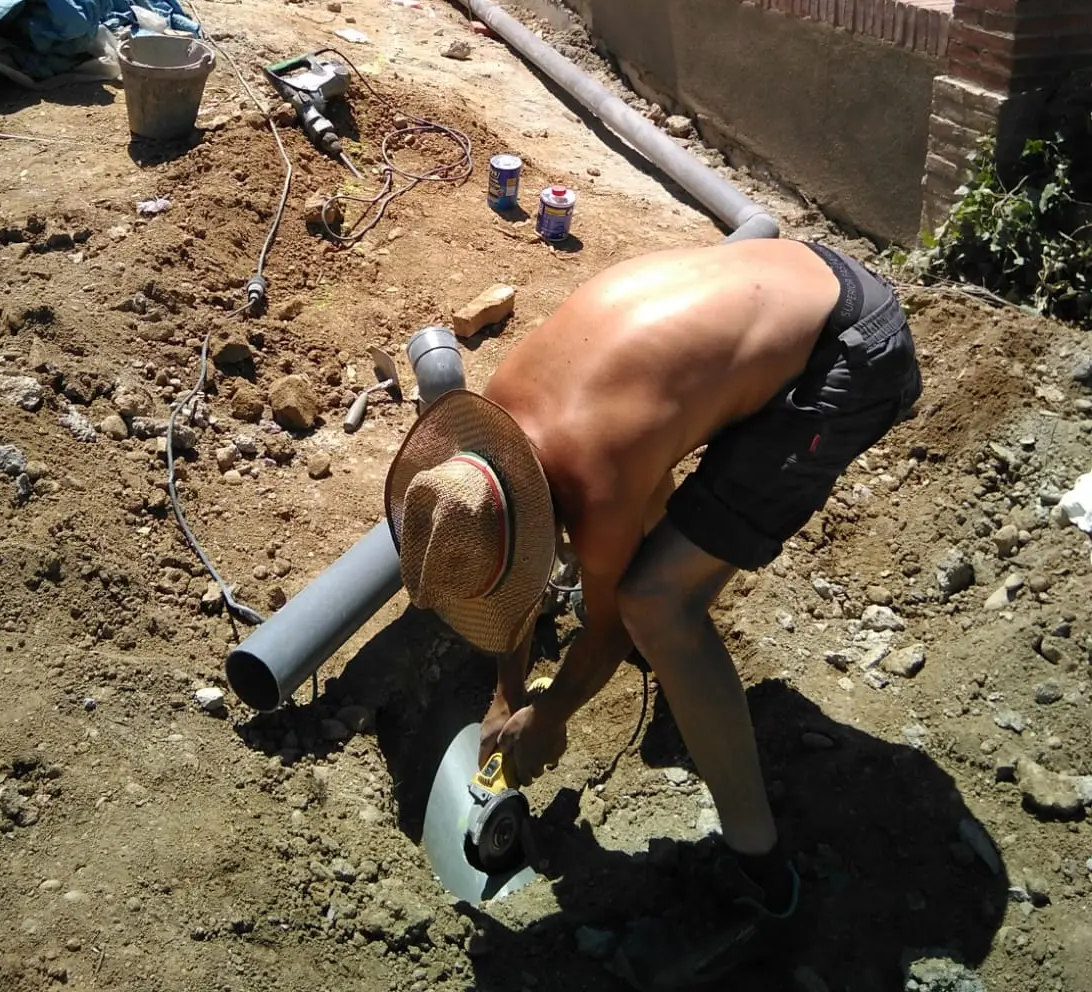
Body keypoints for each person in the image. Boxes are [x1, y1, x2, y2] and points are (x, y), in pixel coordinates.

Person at [385, 239, 921, 983]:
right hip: (799, 274)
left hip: (849, 360)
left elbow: (604, 626)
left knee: (652, 602)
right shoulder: (494, 417)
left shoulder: (598, 477)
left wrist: (552, 713)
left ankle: (761, 872)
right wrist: (506, 690)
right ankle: (685, 661)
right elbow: (520, 571)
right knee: (648, 543)